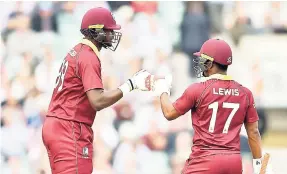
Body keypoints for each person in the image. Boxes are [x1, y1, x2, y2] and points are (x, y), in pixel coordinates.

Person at [42, 7, 151, 174]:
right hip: (69, 127)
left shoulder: (78, 51)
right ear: (96, 31)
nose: (112, 35)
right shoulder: (88, 56)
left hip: (58, 124)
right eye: (108, 30)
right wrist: (131, 84)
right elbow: (97, 100)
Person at [152, 39, 273, 174]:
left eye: (203, 60)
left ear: (210, 63)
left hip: (204, 159)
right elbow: (254, 132)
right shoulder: (245, 93)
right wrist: (258, 164)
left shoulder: (197, 89)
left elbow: (169, 113)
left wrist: (163, 91)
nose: (201, 64)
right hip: (232, 162)